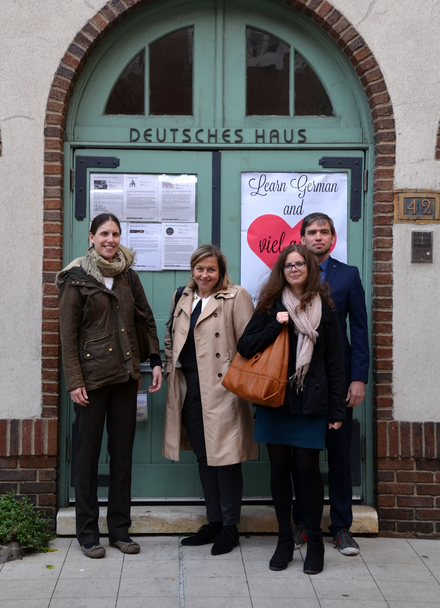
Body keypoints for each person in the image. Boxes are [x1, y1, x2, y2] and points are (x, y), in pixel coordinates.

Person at [57, 213, 162, 559]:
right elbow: (67, 337)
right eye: (104, 233)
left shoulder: (128, 276)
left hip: (126, 378)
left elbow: (144, 318)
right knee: (86, 457)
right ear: (91, 237)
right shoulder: (77, 279)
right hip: (90, 382)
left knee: (122, 457)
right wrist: (74, 381)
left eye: (116, 234)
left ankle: (119, 530)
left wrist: (155, 361)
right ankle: (87, 533)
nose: (111, 239)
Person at [237, 244, 345, 575]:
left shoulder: (325, 307)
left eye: (300, 264)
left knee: (308, 470)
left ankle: (314, 542)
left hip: (311, 403)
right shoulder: (270, 305)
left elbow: (335, 361)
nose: (294, 269)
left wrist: (337, 410)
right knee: (280, 468)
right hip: (276, 399)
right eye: (288, 266)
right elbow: (245, 346)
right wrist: (276, 324)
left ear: (310, 268)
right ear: (281, 271)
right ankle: (284, 540)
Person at [162, 244, 258, 555]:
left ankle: (230, 527)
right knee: (205, 457)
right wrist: (166, 370)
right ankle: (214, 522)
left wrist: (237, 380)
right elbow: (170, 337)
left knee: (226, 458)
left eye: (211, 269)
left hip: (222, 387)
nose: (205, 274)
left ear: (221, 272)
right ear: (193, 269)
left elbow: (251, 342)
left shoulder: (236, 296)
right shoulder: (182, 296)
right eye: (200, 268)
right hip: (188, 384)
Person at [292, 212, 370, 556]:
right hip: (301, 382)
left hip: (338, 380)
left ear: (333, 238)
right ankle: (304, 526)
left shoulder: (348, 276)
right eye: (312, 232)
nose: (318, 237)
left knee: (338, 456)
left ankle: (341, 528)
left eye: (324, 232)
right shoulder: (291, 274)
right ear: (302, 237)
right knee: (301, 457)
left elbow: (361, 330)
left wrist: (358, 378)